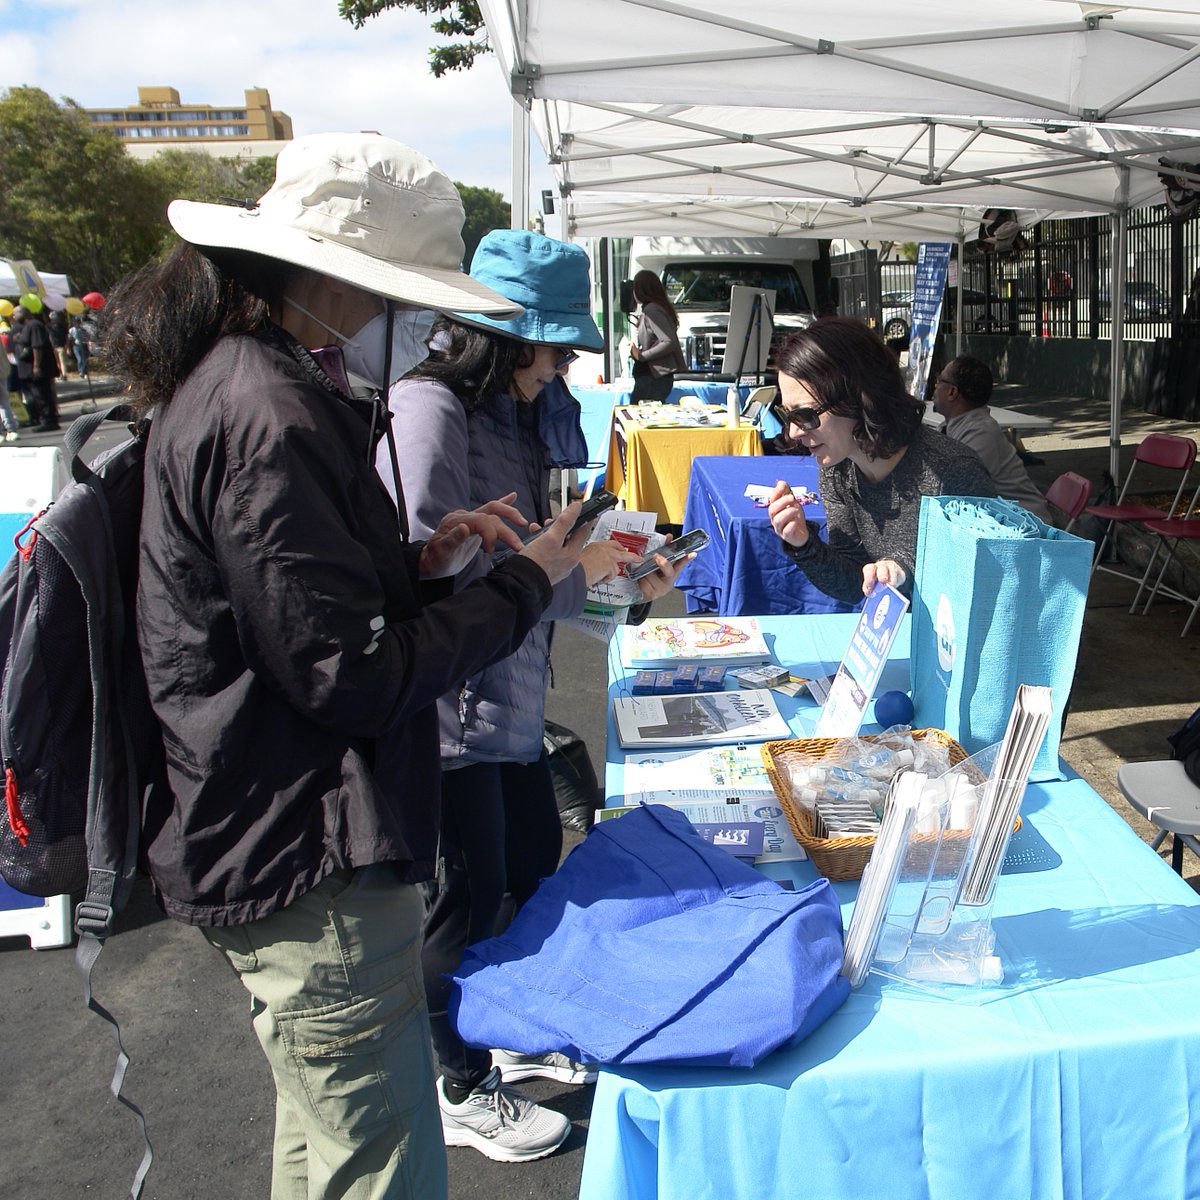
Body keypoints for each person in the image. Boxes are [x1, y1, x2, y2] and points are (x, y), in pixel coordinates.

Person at [96, 131, 596, 1200]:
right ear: (335, 279)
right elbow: (350, 671)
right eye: (400, 299)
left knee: (325, 1143)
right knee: (377, 1163)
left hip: (275, 830)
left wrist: (420, 563)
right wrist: (521, 583)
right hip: (307, 845)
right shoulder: (268, 410)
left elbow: (294, 610)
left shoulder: (252, 385)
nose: (412, 329)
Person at [385, 229, 685, 1163]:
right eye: (552, 348)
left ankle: (499, 1024)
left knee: (525, 869)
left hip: (510, 689)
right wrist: (572, 571)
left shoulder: (517, 411)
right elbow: (435, 569)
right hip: (451, 709)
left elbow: (533, 554)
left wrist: (604, 570)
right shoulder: (428, 406)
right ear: (500, 337)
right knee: (464, 900)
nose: (560, 368)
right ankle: (456, 1081)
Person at [767, 317, 997, 604]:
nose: (793, 431)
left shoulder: (953, 472)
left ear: (858, 397)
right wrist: (803, 543)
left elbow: (988, 585)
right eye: (787, 415)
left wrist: (904, 569)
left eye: (806, 415)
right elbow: (853, 583)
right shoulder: (838, 469)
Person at [931, 356, 1055, 523]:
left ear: (952, 392)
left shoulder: (981, 432)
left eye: (939, 380)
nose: (936, 385)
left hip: (1025, 527)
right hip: (999, 521)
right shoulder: (952, 425)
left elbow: (956, 485)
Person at [629, 268, 686, 402]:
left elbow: (669, 341)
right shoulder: (656, 308)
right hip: (655, 375)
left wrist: (641, 356)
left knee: (641, 414)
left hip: (654, 376)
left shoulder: (652, 310)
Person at [11, 305, 60, 431]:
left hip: (39, 369)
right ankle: (39, 418)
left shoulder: (34, 325)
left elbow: (37, 346)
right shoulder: (25, 328)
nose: (13, 316)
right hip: (27, 370)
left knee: (42, 395)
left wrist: (36, 366)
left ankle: (49, 421)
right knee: (35, 396)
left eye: (16, 313)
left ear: (25, 313)